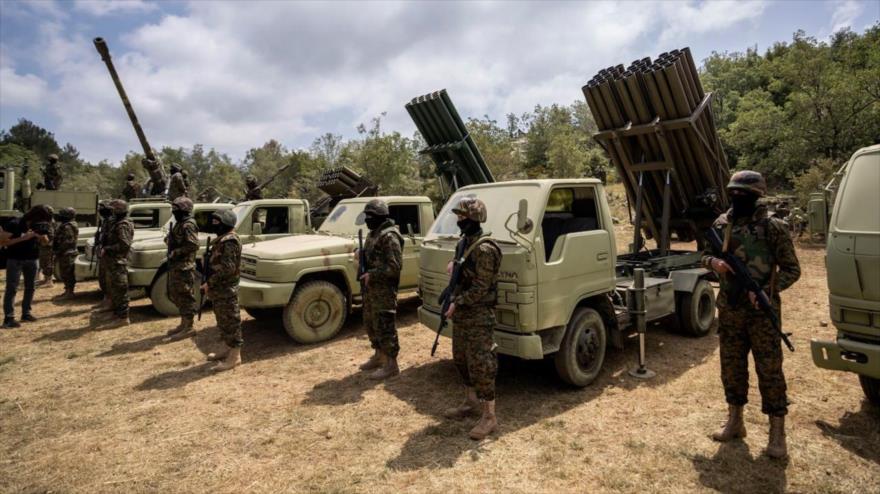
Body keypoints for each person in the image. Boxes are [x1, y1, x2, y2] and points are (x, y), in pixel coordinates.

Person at [702, 170, 801, 459]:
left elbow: (792, 269)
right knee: (731, 369)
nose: (737, 197)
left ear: (757, 195)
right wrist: (714, 262)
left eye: (743, 194)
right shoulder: (722, 224)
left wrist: (767, 291)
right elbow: (704, 255)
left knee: (770, 371)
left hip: (761, 315)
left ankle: (777, 434)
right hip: (730, 311)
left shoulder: (773, 226)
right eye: (733, 192)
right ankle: (735, 422)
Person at [442, 198, 502, 440]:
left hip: (479, 314)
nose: (459, 221)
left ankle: (489, 416)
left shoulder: (485, 249)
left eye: (463, 217)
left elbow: (480, 287)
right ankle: (470, 401)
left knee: (481, 364)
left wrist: (457, 302)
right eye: (458, 217)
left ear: (474, 219)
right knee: (461, 359)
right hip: (463, 314)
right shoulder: (463, 243)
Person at [357, 199, 404, 380]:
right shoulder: (373, 233)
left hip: (384, 291)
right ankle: (379, 356)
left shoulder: (389, 236)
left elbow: (394, 267)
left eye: (370, 216)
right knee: (371, 322)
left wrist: (373, 274)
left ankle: (391, 364)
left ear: (380, 216)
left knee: (385, 325)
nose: (367, 219)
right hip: (371, 289)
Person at [203, 209, 243, 371]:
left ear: (226, 223)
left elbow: (228, 269)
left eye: (217, 222)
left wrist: (209, 282)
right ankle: (227, 348)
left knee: (231, 321)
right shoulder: (222, 239)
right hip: (219, 288)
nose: (214, 225)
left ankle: (235, 356)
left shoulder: (229, 241)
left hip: (226, 288)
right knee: (222, 320)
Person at [1, 210, 48, 328]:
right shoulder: (14, 224)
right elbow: (2, 242)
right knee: (12, 288)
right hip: (15, 260)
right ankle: (9, 318)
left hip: (33, 259)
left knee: (31, 287)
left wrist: (41, 237)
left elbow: (45, 243)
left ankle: (26, 313)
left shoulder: (39, 226)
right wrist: (24, 238)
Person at [163, 197, 200, 341]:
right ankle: (184, 323)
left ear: (185, 210)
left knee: (185, 296)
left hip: (185, 267)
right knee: (176, 294)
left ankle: (189, 327)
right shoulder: (179, 223)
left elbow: (193, 245)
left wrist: (176, 252)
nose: (174, 212)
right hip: (177, 266)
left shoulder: (188, 225)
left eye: (177, 209)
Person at [96, 199, 134, 327]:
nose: (111, 213)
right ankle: (116, 313)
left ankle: (123, 317)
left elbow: (124, 245)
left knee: (120, 290)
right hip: (112, 261)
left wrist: (108, 249)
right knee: (113, 289)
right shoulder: (115, 223)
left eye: (113, 210)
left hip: (118, 262)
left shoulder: (123, 225)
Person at [93, 201, 114, 311]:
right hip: (103, 252)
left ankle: (110, 302)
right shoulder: (105, 221)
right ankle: (105, 299)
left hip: (109, 254)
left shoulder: (112, 221)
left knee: (108, 280)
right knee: (102, 278)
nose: (100, 210)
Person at [53, 207, 79, 299]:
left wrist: (58, 250)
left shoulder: (68, 227)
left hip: (67, 253)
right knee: (64, 273)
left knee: (67, 273)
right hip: (65, 252)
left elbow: (68, 241)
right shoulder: (66, 225)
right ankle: (67, 291)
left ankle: (69, 292)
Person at [33, 206, 56, 288]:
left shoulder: (48, 222)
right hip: (45, 244)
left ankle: (49, 281)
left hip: (48, 245)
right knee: (44, 262)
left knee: (48, 263)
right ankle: (46, 279)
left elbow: (49, 235)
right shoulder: (48, 221)